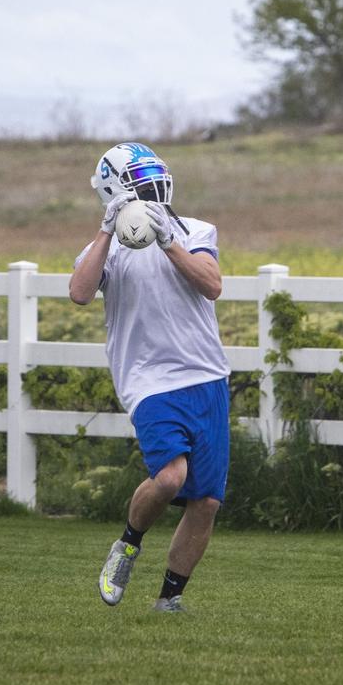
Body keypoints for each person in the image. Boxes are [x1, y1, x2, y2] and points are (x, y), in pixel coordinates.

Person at [69, 141, 230, 613]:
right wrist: (105, 232)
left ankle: (169, 600)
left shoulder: (195, 229)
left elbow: (212, 284)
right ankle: (128, 545)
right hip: (148, 380)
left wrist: (167, 240)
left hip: (206, 375)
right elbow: (79, 292)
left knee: (206, 502)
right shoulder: (106, 248)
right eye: (141, 183)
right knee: (169, 478)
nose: (153, 190)